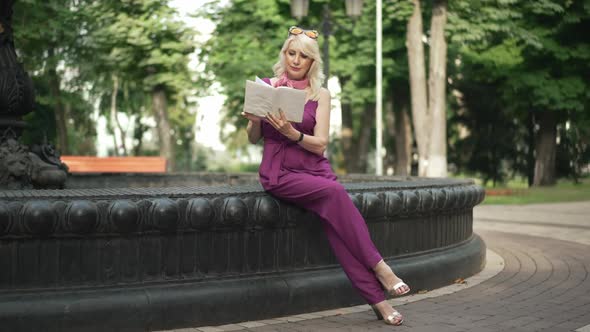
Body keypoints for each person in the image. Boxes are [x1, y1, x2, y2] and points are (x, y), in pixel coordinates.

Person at [241, 26, 410, 327]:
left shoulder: (321, 95)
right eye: (291, 53)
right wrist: (254, 122)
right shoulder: (266, 86)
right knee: (336, 195)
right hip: (280, 173)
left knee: (338, 231)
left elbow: (320, 145)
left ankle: (379, 302)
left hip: (315, 170)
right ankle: (381, 268)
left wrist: (292, 134)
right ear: (284, 54)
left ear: (312, 62)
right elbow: (254, 138)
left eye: (303, 56)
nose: (295, 60)